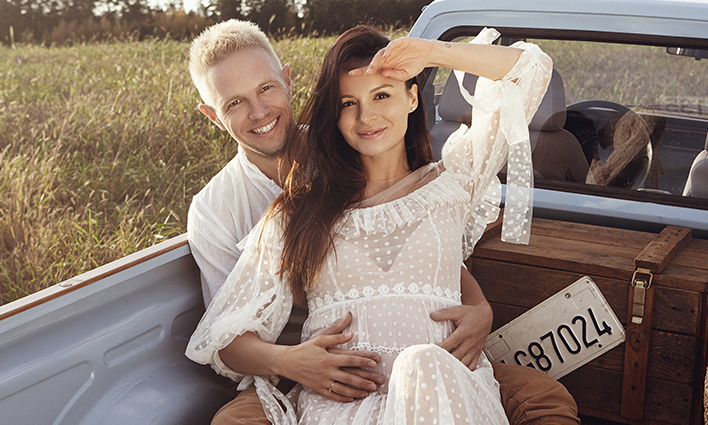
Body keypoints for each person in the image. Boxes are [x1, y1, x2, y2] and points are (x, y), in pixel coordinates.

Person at [186, 19, 580, 425]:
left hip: (446, 397)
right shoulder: (296, 213)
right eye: (348, 103)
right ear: (334, 117)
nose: (365, 116)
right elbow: (225, 336)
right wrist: (294, 362)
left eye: (382, 94)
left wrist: (432, 54)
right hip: (342, 409)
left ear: (413, 98)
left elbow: (531, 71)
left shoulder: (454, 182)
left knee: (423, 364)